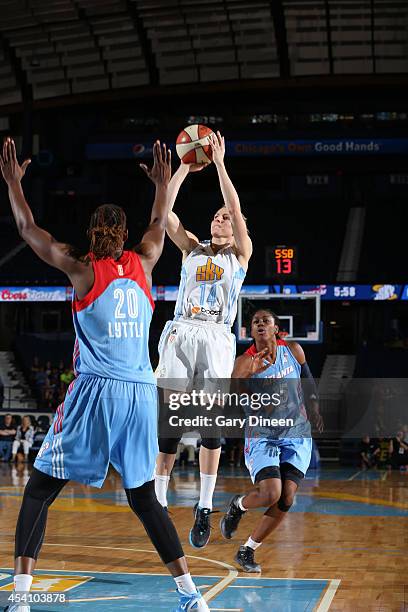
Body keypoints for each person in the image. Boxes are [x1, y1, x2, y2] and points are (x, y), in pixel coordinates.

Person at [0, 137, 209, 612]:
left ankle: (20, 598)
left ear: (93, 230)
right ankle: (190, 595)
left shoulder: (80, 267)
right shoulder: (147, 260)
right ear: (124, 231)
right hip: (140, 394)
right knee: (143, 500)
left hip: (95, 392)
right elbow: (159, 221)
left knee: (39, 489)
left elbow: (27, 227)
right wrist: (162, 182)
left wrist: (14, 183)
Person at [150, 131, 252, 549]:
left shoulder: (240, 254)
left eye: (226, 217)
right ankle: (155, 500)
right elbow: (163, 214)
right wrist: (184, 170)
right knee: (169, 421)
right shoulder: (191, 247)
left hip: (215, 337)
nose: (221, 218)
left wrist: (221, 165)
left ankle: (204, 506)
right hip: (180, 329)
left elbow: (235, 206)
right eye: (217, 215)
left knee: (210, 425)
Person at [220, 309, 323, 572]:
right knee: (271, 493)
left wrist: (314, 407)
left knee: (286, 497)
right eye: (255, 322)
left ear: (277, 328)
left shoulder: (294, 350)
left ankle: (248, 550)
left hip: (296, 432)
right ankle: (238, 505)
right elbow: (234, 397)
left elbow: (307, 380)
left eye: (265, 320)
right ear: (250, 332)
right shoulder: (243, 362)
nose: (260, 324)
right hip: (263, 434)